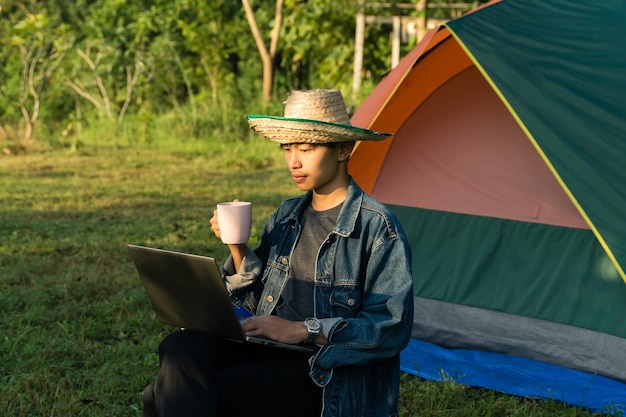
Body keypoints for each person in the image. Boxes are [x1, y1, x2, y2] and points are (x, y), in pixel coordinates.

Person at [141, 89, 414, 417]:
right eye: (288, 148)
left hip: (320, 370)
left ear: (343, 149)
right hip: (266, 349)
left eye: (307, 148)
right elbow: (252, 304)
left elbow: (390, 327)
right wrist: (237, 247)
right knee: (179, 347)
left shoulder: (377, 227)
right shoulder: (287, 215)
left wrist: (302, 330)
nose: (293, 162)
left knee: (173, 394)